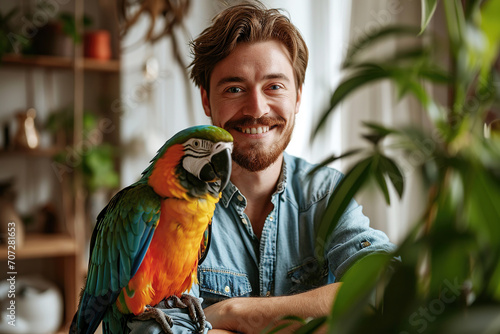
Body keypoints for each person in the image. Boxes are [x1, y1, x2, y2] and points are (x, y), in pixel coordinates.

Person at [129, 2, 396, 333]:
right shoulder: (163, 207)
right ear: (207, 101)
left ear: (298, 96)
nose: (256, 108)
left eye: (274, 86)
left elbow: (384, 288)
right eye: (235, 88)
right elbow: (155, 330)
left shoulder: (327, 194)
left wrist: (234, 313)